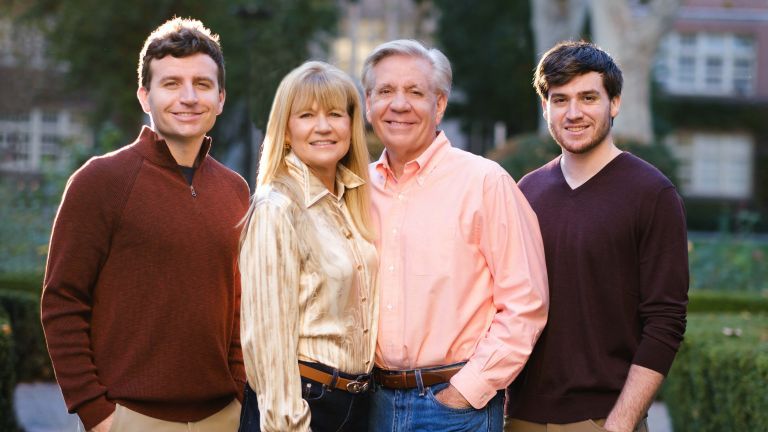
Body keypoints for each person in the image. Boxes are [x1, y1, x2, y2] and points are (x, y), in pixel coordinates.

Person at [40, 17, 248, 432]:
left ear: (221, 99)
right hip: (130, 419)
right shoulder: (100, 182)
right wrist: (97, 414)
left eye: (202, 85)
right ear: (144, 95)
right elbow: (62, 302)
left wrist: (241, 394)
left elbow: (241, 307)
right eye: (171, 83)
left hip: (224, 417)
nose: (188, 97)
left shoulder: (236, 190)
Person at [361, 39, 549, 432]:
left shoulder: (484, 182)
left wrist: (468, 389)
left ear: (439, 105)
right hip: (368, 404)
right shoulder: (355, 188)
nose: (398, 105)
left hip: (453, 408)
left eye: (415, 92)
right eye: (385, 91)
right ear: (368, 102)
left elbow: (525, 302)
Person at [505, 41, 689, 432]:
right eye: (560, 100)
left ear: (615, 103)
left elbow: (665, 321)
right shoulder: (527, 191)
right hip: (519, 417)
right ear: (545, 107)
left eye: (588, 97)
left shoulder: (652, 194)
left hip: (603, 418)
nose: (573, 113)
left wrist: (621, 422)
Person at [238, 61, 378, 432]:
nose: (323, 126)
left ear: (350, 125)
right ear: (286, 130)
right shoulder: (277, 207)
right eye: (306, 115)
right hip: (304, 405)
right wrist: (289, 422)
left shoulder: (350, 201)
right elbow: (267, 339)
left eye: (335, 114)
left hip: (356, 404)